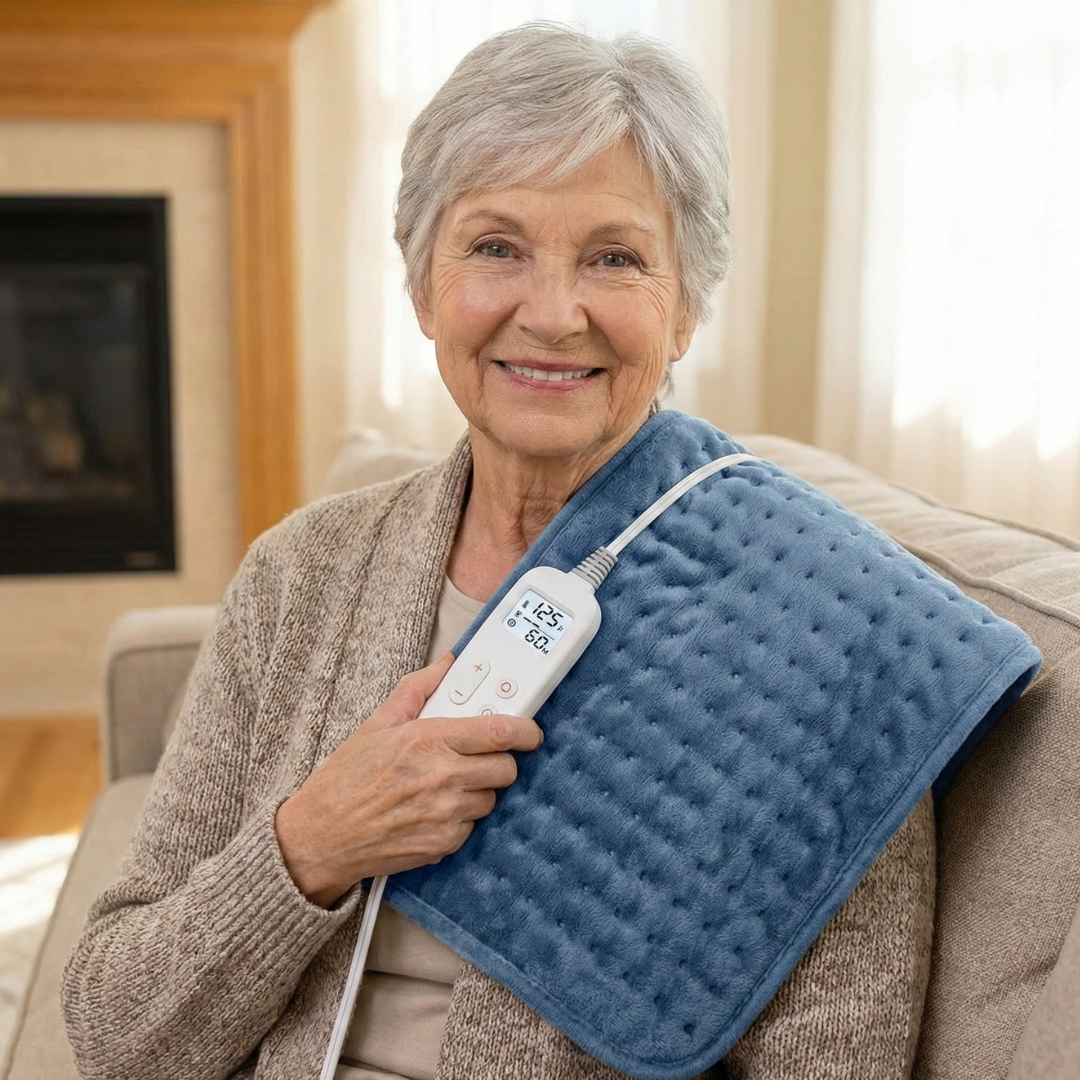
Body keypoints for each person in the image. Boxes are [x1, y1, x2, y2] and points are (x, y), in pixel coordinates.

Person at [62, 23, 934, 1080]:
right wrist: (311, 843)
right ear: (425, 289)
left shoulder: (829, 629)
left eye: (614, 257)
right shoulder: (301, 576)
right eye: (495, 247)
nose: (553, 313)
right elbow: (115, 1033)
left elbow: (836, 1060)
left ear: (689, 305)